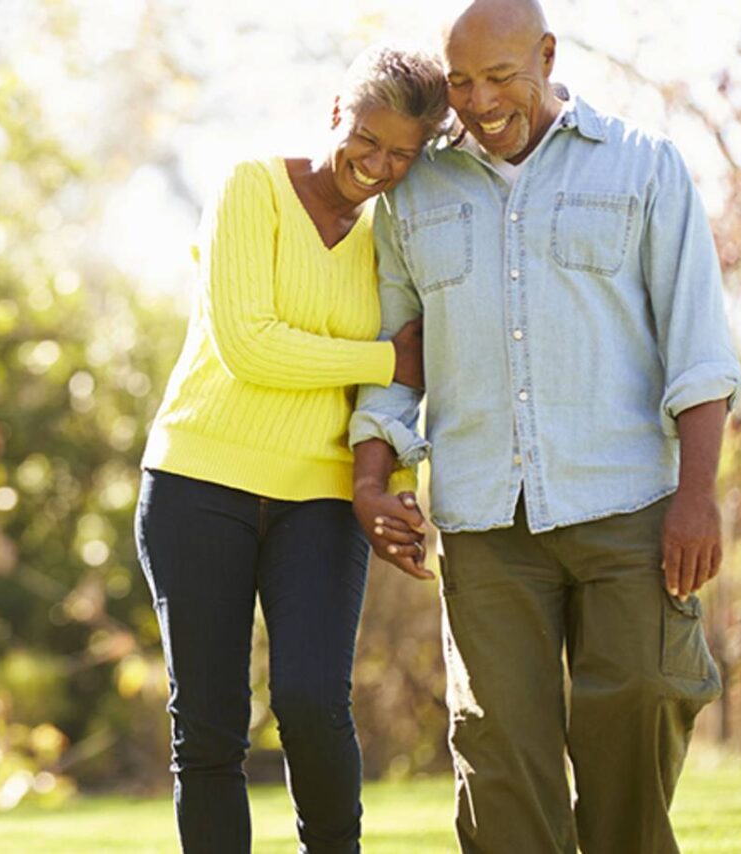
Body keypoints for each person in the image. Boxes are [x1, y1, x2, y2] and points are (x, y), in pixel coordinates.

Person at [348, 1, 741, 851]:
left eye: (501, 76)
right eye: (460, 82)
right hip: (487, 523)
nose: (481, 102)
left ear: (549, 55)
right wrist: (374, 476)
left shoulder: (643, 166)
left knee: (640, 704)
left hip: (629, 503)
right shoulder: (415, 193)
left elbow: (700, 347)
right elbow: (394, 350)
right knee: (500, 763)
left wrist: (698, 496)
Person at [135, 45, 450, 852]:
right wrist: (383, 358)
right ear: (334, 113)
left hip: (320, 496)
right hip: (199, 482)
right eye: (366, 140)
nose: (378, 166)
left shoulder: (392, 234)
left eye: (402, 156)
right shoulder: (252, 188)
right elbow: (252, 345)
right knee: (208, 727)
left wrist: (400, 472)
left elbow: (402, 377)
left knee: (313, 702)